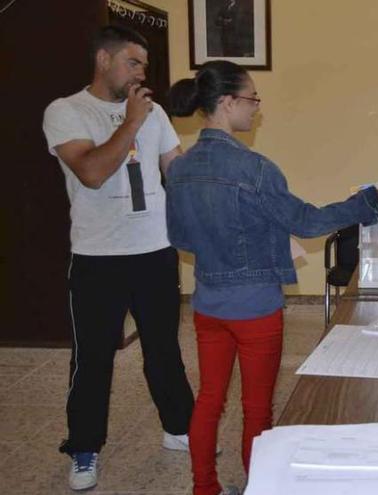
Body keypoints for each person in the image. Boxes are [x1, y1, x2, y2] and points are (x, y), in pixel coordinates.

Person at [166, 60, 378, 495]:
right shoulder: (256, 168)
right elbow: (306, 222)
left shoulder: (179, 168)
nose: (256, 109)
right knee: (256, 409)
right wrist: (366, 202)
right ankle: (257, 487)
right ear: (227, 103)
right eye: (251, 99)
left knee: (209, 399)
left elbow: (180, 236)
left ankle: (203, 488)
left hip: (208, 302)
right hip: (255, 308)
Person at [41, 25, 195, 491]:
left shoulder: (155, 113)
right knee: (93, 358)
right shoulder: (66, 111)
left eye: (143, 65)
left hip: (154, 250)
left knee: (164, 351)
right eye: (133, 62)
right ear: (104, 60)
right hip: (98, 256)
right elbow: (90, 171)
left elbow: (176, 170)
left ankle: (180, 428)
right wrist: (130, 121)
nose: (140, 73)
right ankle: (84, 448)